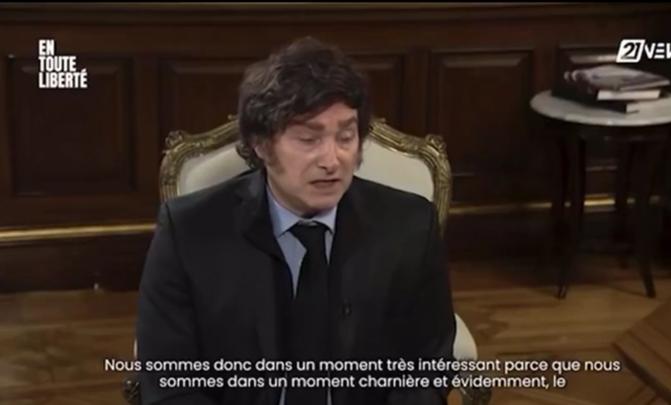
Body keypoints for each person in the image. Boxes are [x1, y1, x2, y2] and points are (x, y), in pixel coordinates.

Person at [136, 36, 456, 405]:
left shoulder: (410, 226)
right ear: (261, 144)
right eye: (308, 139)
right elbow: (169, 381)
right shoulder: (189, 231)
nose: (332, 160)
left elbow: (428, 365)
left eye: (346, 137)